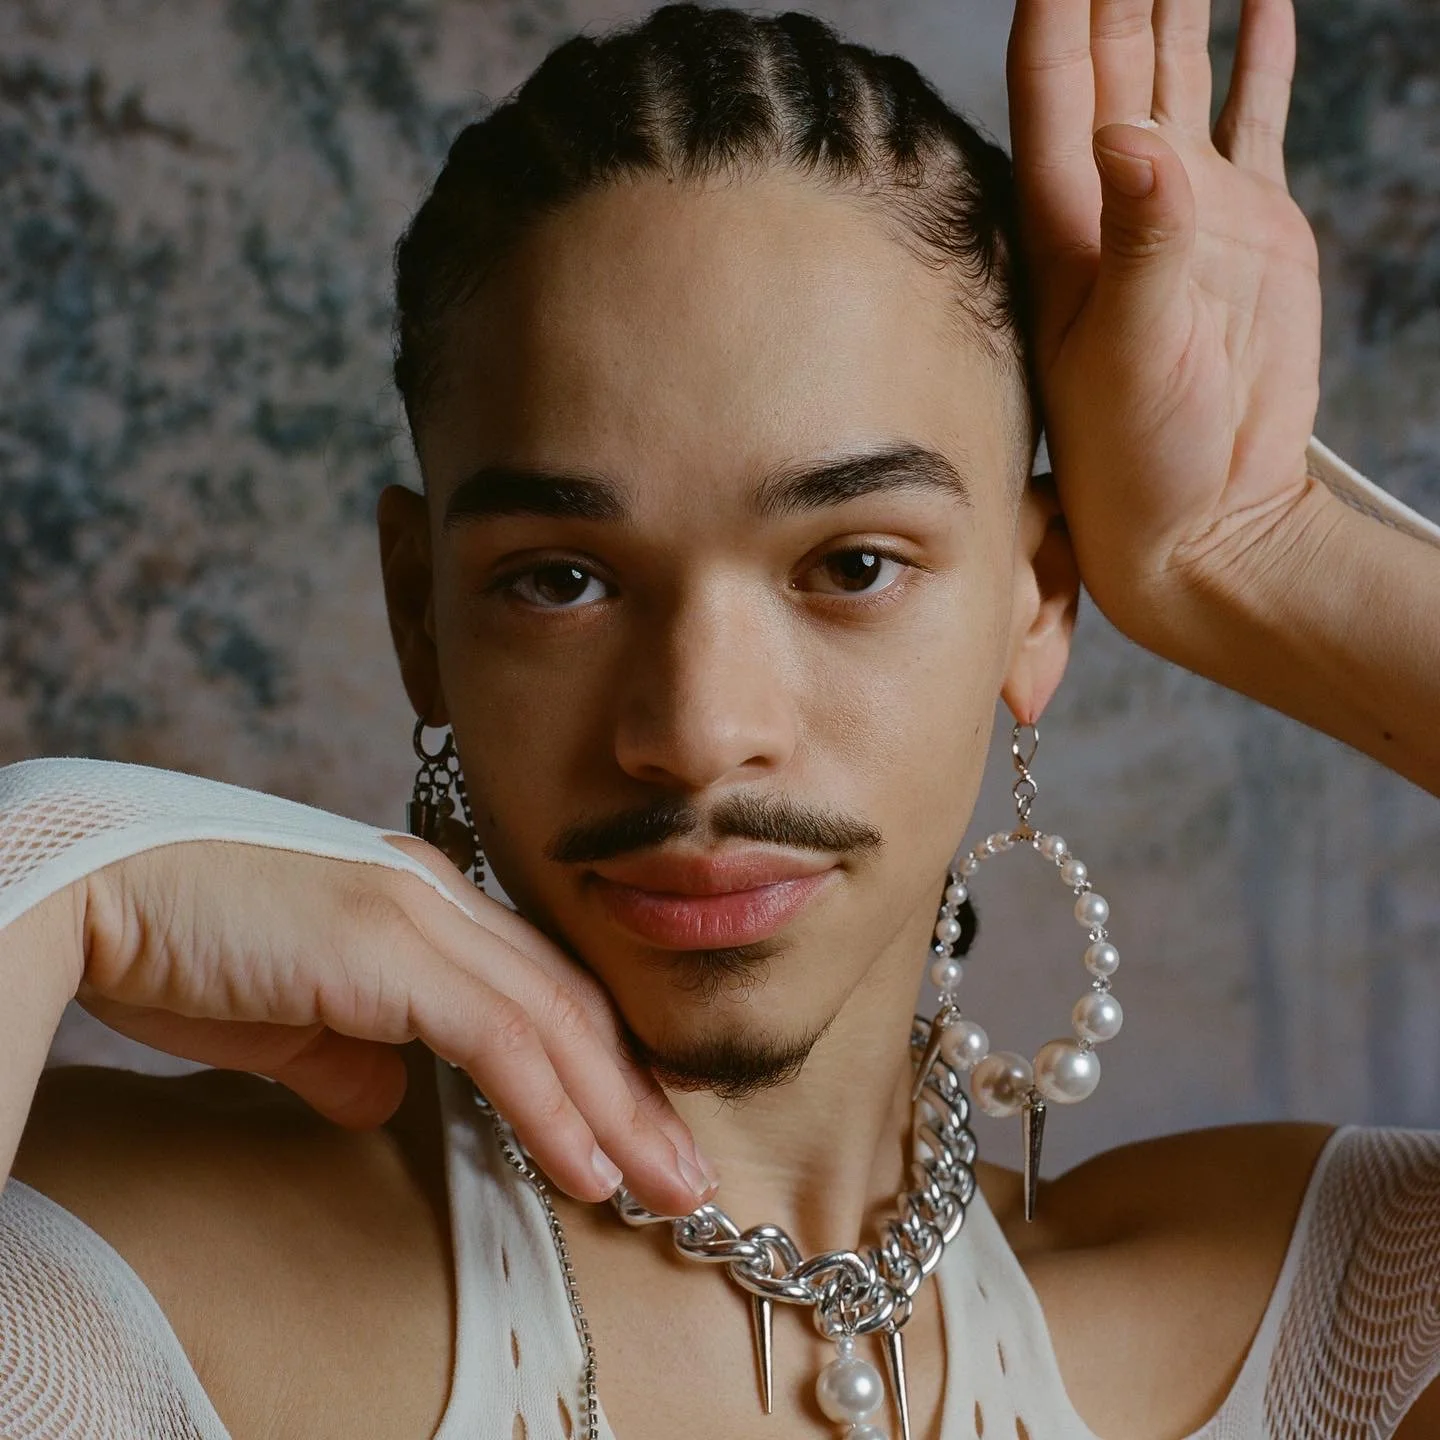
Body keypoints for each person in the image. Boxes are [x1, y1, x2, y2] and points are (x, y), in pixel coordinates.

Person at [1, 1, 1438, 1437]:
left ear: (1038, 594)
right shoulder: (113, 1282)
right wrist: (45, 865)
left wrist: (1256, 554)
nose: (695, 732)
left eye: (852, 566)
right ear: (419, 614)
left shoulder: (1321, 1321)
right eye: (561, 580)